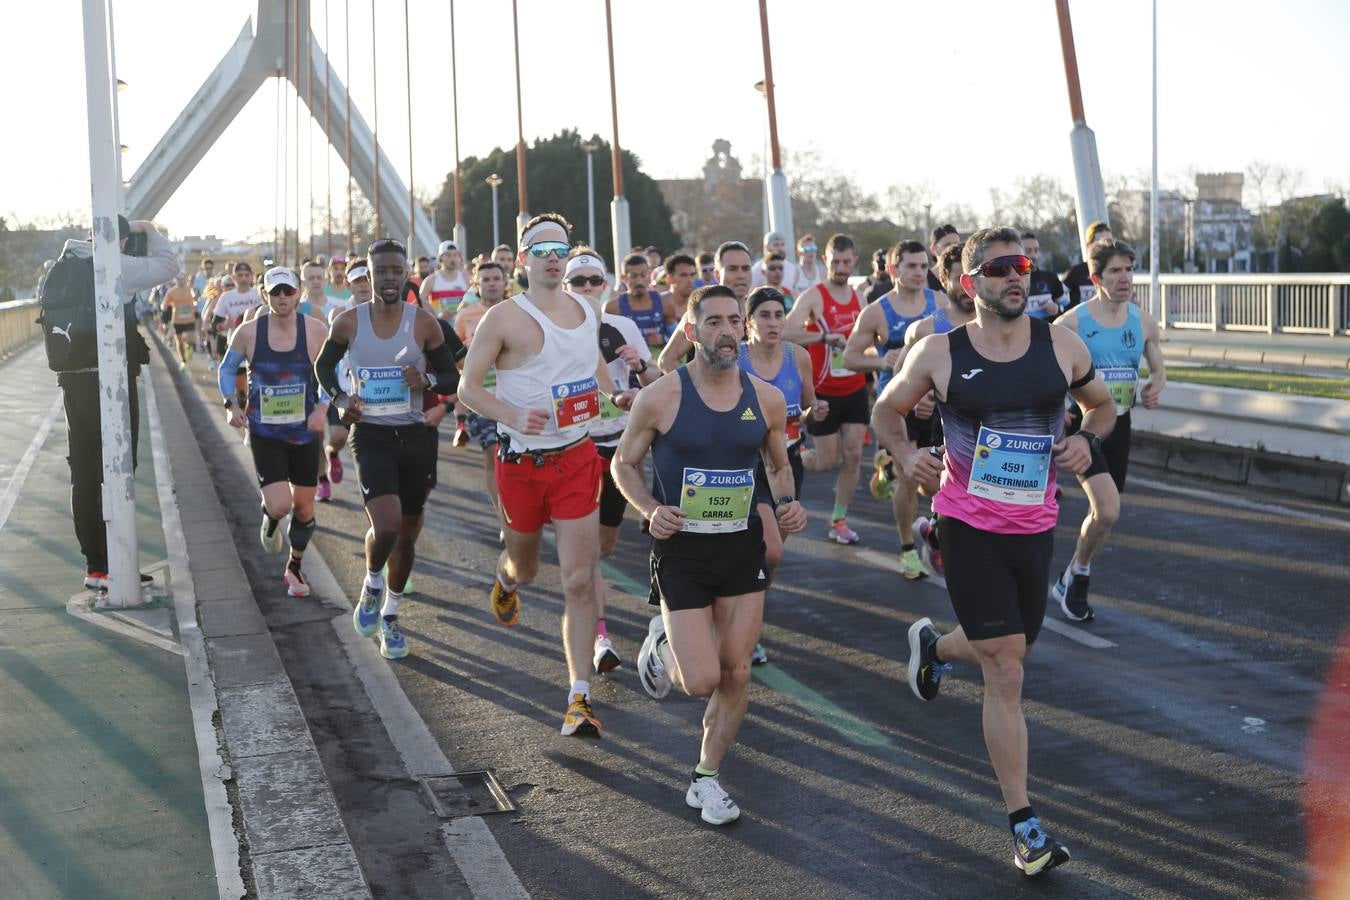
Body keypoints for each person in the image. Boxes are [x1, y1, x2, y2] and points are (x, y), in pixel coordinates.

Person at [874, 226, 1114, 878]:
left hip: (1034, 525)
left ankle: (935, 647)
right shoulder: (938, 353)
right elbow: (887, 413)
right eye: (1001, 268)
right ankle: (1024, 826)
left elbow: (1101, 407)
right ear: (969, 281)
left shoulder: (1059, 345)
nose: (1016, 277)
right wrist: (907, 456)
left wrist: (1086, 441)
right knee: (1006, 668)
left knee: (1008, 647)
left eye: (1023, 267)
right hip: (967, 522)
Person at [615, 284, 806, 826]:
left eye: (733, 321)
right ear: (692, 330)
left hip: (741, 546)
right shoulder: (661, 397)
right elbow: (623, 464)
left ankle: (706, 778)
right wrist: (651, 508)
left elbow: (778, 466)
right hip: (682, 550)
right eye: (714, 321)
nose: (726, 331)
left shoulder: (765, 398)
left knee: (737, 671)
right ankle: (661, 643)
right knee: (699, 680)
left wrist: (786, 504)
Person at [458, 214, 634, 738]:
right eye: (541, 249)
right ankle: (506, 579)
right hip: (521, 464)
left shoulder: (588, 308)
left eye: (561, 248)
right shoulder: (502, 318)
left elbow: (591, 363)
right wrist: (512, 415)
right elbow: (468, 388)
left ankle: (579, 698)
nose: (553, 257)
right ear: (523, 259)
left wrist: (613, 394)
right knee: (527, 568)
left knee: (579, 578)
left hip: (577, 458)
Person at [315, 239, 463, 660]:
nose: (390, 278)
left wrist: (428, 381)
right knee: (387, 527)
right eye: (381, 271)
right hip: (372, 435)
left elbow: (453, 377)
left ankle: (392, 616)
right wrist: (340, 399)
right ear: (370, 274)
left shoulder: (425, 324)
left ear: (406, 274)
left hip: (415, 436)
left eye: (397, 270)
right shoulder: (348, 322)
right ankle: (372, 582)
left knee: (408, 534)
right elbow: (323, 366)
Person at [58, 216, 177, 590]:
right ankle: (118, 565)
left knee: (84, 471)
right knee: (118, 467)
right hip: (109, 379)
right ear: (122, 240)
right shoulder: (117, 263)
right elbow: (169, 266)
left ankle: (95, 566)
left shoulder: (67, 261)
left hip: (72, 379)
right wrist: (151, 230)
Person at [1050, 240, 1165, 620]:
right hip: (1085, 426)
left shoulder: (1142, 321)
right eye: (1115, 271)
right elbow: (1047, 377)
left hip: (1121, 423)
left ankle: (1070, 575)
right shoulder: (1071, 325)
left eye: (1129, 270)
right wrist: (1057, 411)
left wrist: (1155, 385)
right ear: (1096, 278)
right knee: (1108, 509)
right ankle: (1079, 577)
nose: (1125, 278)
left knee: (1104, 517)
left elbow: (1158, 367)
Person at [566, 249, 661, 672]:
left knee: (604, 546)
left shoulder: (622, 327)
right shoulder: (552, 331)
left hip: (618, 449)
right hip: (574, 447)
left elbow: (653, 381)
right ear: (565, 286)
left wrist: (638, 367)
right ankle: (600, 637)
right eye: (579, 281)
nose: (588, 288)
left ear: (606, 286)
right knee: (586, 550)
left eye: (594, 281)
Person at [219, 267, 330, 596]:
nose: (282, 297)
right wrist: (231, 405)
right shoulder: (249, 332)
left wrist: (323, 408)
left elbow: (333, 372)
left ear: (298, 293)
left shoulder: (316, 330)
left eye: (288, 291)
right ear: (264, 295)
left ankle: (294, 568)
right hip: (265, 433)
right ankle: (270, 517)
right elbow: (227, 368)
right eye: (275, 292)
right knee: (282, 505)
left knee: (305, 508)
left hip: (305, 432)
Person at [844, 240, 942, 576]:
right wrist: (880, 359)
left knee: (934, 483)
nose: (919, 272)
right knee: (910, 478)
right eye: (911, 266)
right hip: (898, 406)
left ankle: (888, 469)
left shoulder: (940, 303)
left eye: (923, 265)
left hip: (935, 403)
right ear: (892, 269)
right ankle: (907, 549)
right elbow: (849, 356)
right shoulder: (877, 312)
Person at [739, 285, 824, 664]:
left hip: (788, 463)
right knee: (767, 548)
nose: (773, 323)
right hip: (749, 464)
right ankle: (747, 630)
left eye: (779, 316)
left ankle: (749, 610)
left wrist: (813, 414)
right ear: (748, 322)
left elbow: (807, 409)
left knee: (771, 556)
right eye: (764, 316)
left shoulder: (798, 356)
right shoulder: (736, 358)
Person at [784, 233, 869, 545]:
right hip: (824, 392)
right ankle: (800, 452)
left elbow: (871, 338)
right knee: (825, 462)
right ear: (825, 260)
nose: (841, 268)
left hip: (855, 388)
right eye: (836, 262)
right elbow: (787, 332)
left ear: (854, 261)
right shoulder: (813, 296)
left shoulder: (861, 299)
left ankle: (838, 519)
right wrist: (822, 338)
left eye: (847, 262)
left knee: (854, 455)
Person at [900, 242, 978, 578]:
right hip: (931, 422)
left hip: (975, 422)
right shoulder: (926, 329)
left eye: (971, 276)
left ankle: (935, 530)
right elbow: (897, 387)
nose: (967, 286)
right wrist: (917, 399)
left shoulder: (995, 323)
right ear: (944, 279)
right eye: (959, 277)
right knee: (927, 484)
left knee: (968, 493)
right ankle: (915, 543)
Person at [454, 260, 511, 534]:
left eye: (496, 279)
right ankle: (504, 520)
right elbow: (455, 360)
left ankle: (520, 510)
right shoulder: (465, 316)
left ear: (504, 282)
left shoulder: (517, 311)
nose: (491, 284)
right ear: (476, 285)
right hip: (482, 398)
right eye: (485, 279)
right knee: (493, 455)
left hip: (517, 396)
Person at [657, 241, 754, 374]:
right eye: (732, 269)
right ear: (717, 275)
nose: (741, 275)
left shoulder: (761, 312)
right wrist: (694, 386)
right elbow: (667, 360)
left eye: (746, 268)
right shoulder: (701, 312)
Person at [606, 252, 674, 355]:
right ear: (623, 278)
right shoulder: (612, 307)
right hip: (627, 364)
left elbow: (677, 342)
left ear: (649, 275)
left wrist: (663, 340)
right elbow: (605, 345)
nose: (639, 281)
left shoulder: (665, 302)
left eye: (643, 275)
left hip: (659, 363)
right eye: (633, 276)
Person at [1062, 221, 1112, 308]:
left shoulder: (1116, 272)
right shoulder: (1076, 272)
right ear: (1089, 245)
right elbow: (1056, 296)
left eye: (1109, 241)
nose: (1106, 246)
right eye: (1100, 242)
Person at [1022, 231, 1066, 320]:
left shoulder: (1051, 277)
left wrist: (1057, 308)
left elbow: (1067, 307)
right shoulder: (1009, 280)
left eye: (1036, 250)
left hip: (1048, 328)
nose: (1033, 255)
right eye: (1028, 251)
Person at [421, 240, 469, 319]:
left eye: (455, 255)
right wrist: (436, 316)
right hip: (439, 324)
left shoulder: (466, 279)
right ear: (440, 258)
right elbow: (421, 303)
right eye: (448, 255)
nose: (452, 259)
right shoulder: (430, 280)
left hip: (460, 324)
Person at [163, 274, 199, 368]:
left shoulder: (190, 289)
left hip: (189, 319)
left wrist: (195, 302)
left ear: (185, 279)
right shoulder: (171, 292)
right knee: (179, 342)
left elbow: (195, 299)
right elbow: (164, 304)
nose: (180, 281)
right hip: (177, 320)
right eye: (178, 279)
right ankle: (183, 361)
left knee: (190, 339)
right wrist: (164, 307)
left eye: (182, 279)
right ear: (175, 280)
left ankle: (189, 346)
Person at [660, 253, 698, 332]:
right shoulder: (658, 303)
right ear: (669, 278)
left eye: (692, 275)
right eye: (684, 275)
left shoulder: (700, 304)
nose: (690, 280)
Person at [928, 224, 960, 291]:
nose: (953, 249)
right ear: (933, 249)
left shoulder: (967, 274)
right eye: (948, 245)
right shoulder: (923, 279)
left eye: (956, 244)